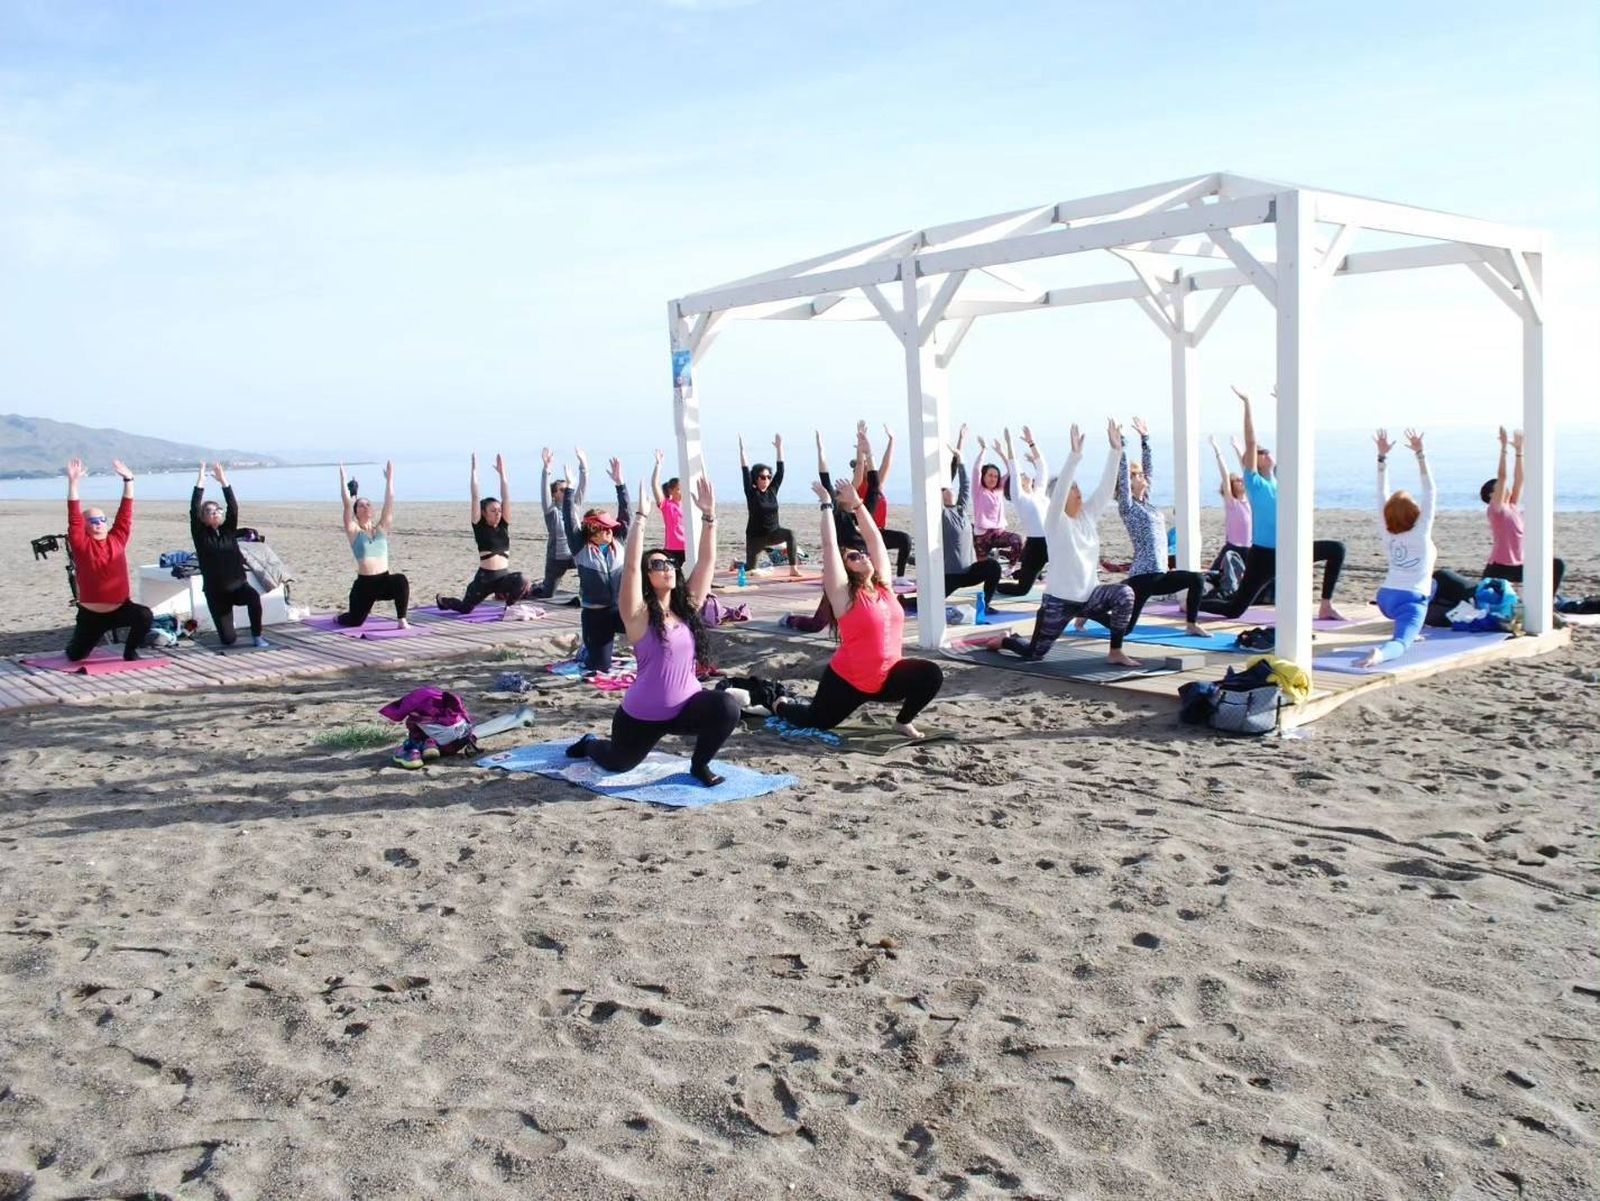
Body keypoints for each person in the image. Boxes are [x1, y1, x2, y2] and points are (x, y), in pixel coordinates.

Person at [567, 476, 739, 788]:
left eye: (670, 563)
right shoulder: (638, 615)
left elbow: (707, 561)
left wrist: (709, 516)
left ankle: (699, 765)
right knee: (618, 763)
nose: (668, 567)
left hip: (686, 707)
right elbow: (632, 567)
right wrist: (640, 518)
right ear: (647, 577)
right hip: (642, 715)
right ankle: (590, 743)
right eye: (658, 565)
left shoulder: (687, 608)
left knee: (727, 706)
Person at [773, 475, 943, 736]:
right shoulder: (844, 596)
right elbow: (830, 546)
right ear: (846, 569)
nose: (862, 555)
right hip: (848, 681)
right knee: (815, 721)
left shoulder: (884, 586)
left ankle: (902, 722)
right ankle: (780, 705)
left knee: (931, 674)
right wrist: (827, 505)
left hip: (888, 679)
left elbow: (875, 541)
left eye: (861, 553)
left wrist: (858, 505)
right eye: (853, 556)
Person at [1197, 386, 1346, 621]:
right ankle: (1195, 603)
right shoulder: (1254, 482)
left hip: (1291, 549)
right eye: (1261, 452)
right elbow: (1251, 441)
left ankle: (1326, 605)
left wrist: (1283, 405)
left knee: (1336, 549)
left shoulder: (1279, 480)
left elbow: (1290, 437)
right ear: (1253, 462)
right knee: (1234, 610)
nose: (1267, 453)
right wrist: (1247, 403)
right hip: (1264, 555)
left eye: (1267, 451)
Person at [1001, 420, 1138, 667]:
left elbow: (1106, 489)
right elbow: (1061, 489)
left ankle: (1115, 651)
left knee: (1125, 595)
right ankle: (1006, 640)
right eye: (1073, 489)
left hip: (1091, 597)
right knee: (1034, 654)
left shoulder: (1087, 516)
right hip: (1059, 601)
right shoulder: (1055, 521)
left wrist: (1116, 451)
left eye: (1078, 488)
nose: (1079, 492)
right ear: (1061, 497)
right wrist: (1074, 457)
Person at [1116, 417, 1206, 638]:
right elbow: (1124, 476)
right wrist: (1121, 444)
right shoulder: (1127, 506)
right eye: (1136, 476)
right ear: (1128, 483)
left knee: (1197, 579)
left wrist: (1145, 439)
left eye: (1141, 474)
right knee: (1125, 629)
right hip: (1143, 578)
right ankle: (1087, 613)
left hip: (1161, 575)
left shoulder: (1148, 504)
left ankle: (1191, 624)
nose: (1142, 477)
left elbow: (1150, 470)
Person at [1359, 429, 1436, 667]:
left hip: (1386, 597)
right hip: (1410, 600)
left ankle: (1412, 628)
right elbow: (1430, 491)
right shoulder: (1421, 531)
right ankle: (1380, 654)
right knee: (1402, 643)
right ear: (1415, 512)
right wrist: (1420, 454)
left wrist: (1382, 458)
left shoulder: (1387, 530)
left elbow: (1381, 494)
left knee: (1434, 584)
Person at [63, 458, 154, 661]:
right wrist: (73, 483)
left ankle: (130, 652)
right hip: (91, 616)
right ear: (84, 525)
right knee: (75, 656)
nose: (99, 523)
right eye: (93, 521)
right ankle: (74, 646)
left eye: (102, 519)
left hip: (120, 610)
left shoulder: (118, 539)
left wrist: (129, 480)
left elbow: (126, 512)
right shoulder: (80, 543)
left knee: (144, 615)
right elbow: (74, 515)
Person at [782, 431, 868, 633]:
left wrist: (861, 451)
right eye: (842, 493)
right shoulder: (836, 510)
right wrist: (820, 449)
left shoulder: (856, 509)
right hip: (841, 566)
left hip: (862, 565)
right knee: (817, 624)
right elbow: (824, 473)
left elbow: (858, 475)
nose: (848, 493)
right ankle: (789, 620)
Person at [436, 453, 531, 615]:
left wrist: (502, 474)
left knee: (523, 579)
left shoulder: (503, 525)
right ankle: (443, 601)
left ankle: (509, 608)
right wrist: (474, 471)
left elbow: (506, 497)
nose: (498, 513)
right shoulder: (479, 527)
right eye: (493, 511)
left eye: (499, 510)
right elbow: (475, 497)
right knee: (466, 608)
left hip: (503, 578)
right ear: (484, 513)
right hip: (484, 579)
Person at [565, 456, 631, 671]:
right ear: (592, 530)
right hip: (595, 614)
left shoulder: (618, 541)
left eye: (610, 527)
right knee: (599, 667)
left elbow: (626, 515)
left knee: (649, 629)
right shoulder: (580, 548)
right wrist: (569, 489)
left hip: (621, 609)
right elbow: (569, 520)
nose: (610, 531)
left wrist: (620, 484)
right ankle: (587, 651)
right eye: (604, 528)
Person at [191, 461, 267, 647]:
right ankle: (228, 626)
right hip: (216, 594)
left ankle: (257, 636)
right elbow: (194, 507)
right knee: (228, 640)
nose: (215, 513)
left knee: (253, 597)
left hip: (238, 587)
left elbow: (233, 507)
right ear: (203, 517)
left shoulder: (229, 530)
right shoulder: (200, 535)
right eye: (209, 511)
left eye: (217, 510)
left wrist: (223, 480)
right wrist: (200, 481)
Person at [1482, 426, 1565, 594]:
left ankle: (1549, 601)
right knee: (1486, 600)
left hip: (1521, 565)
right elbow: (1503, 477)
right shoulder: (1496, 510)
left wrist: (1519, 451)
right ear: (1492, 495)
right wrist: (1503, 448)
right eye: (1499, 488)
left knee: (1557, 565)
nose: (1505, 488)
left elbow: (1519, 479)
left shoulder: (1512, 505)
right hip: (1499, 567)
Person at [336, 461, 409, 628]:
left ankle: (401, 619)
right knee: (355, 622)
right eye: (361, 506)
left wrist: (389, 479)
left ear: (372, 510)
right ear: (356, 512)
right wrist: (343, 480)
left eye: (368, 505)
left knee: (400, 580)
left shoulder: (381, 529)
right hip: (364, 585)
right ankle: (339, 618)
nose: (365, 507)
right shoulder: (354, 531)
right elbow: (347, 504)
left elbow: (389, 502)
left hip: (384, 581)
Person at [939, 424, 1005, 606]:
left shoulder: (960, 508)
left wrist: (961, 457)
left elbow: (965, 484)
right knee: (922, 603)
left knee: (993, 566)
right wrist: (955, 460)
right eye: (945, 489)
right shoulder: (941, 513)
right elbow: (949, 475)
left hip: (969, 571)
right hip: (951, 575)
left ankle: (985, 605)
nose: (950, 489)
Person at [740, 433, 803, 577]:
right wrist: (742, 450)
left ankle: (793, 569)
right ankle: (737, 563)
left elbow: (780, 472)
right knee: (750, 569)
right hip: (756, 537)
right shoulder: (751, 492)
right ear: (755, 479)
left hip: (774, 533)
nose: (766, 480)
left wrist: (780, 448)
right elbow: (744, 471)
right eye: (763, 477)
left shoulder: (772, 491)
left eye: (768, 477)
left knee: (791, 534)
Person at [997, 426, 1050, 596]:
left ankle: (1022, 573)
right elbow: (1013, 468)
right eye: (1020, 477)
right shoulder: (1020, 498)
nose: (1023, 475)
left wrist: (1031, 442)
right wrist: (1009, 443)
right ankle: (995, 585)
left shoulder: (1039, 492)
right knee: (1022, 590)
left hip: (1054, 540)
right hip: (1035, 547)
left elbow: (1043, 468)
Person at [858, 422, 912, 578]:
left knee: (905, 539)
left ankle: (900, 577)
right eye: (864, 466)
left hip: (878, 533)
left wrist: (892, 441)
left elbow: (885, 463)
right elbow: (861, 464)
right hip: (863, 535)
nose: (867, 467)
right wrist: (862, 444)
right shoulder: (857, 485)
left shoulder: (877, 485)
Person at [533, 447, 586, 599]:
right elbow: (544, 491)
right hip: (556, 558)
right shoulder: (551, 511)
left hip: (575, 554)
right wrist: (546, 469)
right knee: (547, 594)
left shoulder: (575, 506)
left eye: (567, 488)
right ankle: (538, 587)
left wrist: (583, 465)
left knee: (588, 580)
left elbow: (582, 486)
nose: (566, 491)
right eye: (562, 489)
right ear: (554, 494)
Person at [971, 435, 1024, 565]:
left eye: (996, 476)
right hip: (982, 535)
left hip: (998, 533)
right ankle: (992, 559)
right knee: (983, 567)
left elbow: (1012, 470)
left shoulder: (999, 488)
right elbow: (976, 469)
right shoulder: (978, 489)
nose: (993, 479)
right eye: (990, 475)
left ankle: (1011, 567)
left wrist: (1001, 452)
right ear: (983, 477)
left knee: (1017, 540)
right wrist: (984, 449)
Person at [1207, 432, 1252, 571]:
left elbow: (1247, 470)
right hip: (1232, 548)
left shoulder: (1250, 500)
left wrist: (1237, 448)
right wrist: (1217, 449)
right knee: (1214, 575)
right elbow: (1225, 476)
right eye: (1238, 480)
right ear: (1232, 487)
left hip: (1249, 548)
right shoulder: (1232, 503)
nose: (1242, 480)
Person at [651, 450, 686, 569]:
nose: (682, 491)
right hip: (672, 549)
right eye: (679, 489)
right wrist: (658, 465)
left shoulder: (689, 506)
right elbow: (654, 485)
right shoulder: (667, 505)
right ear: (671, 490)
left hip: (689, 547)